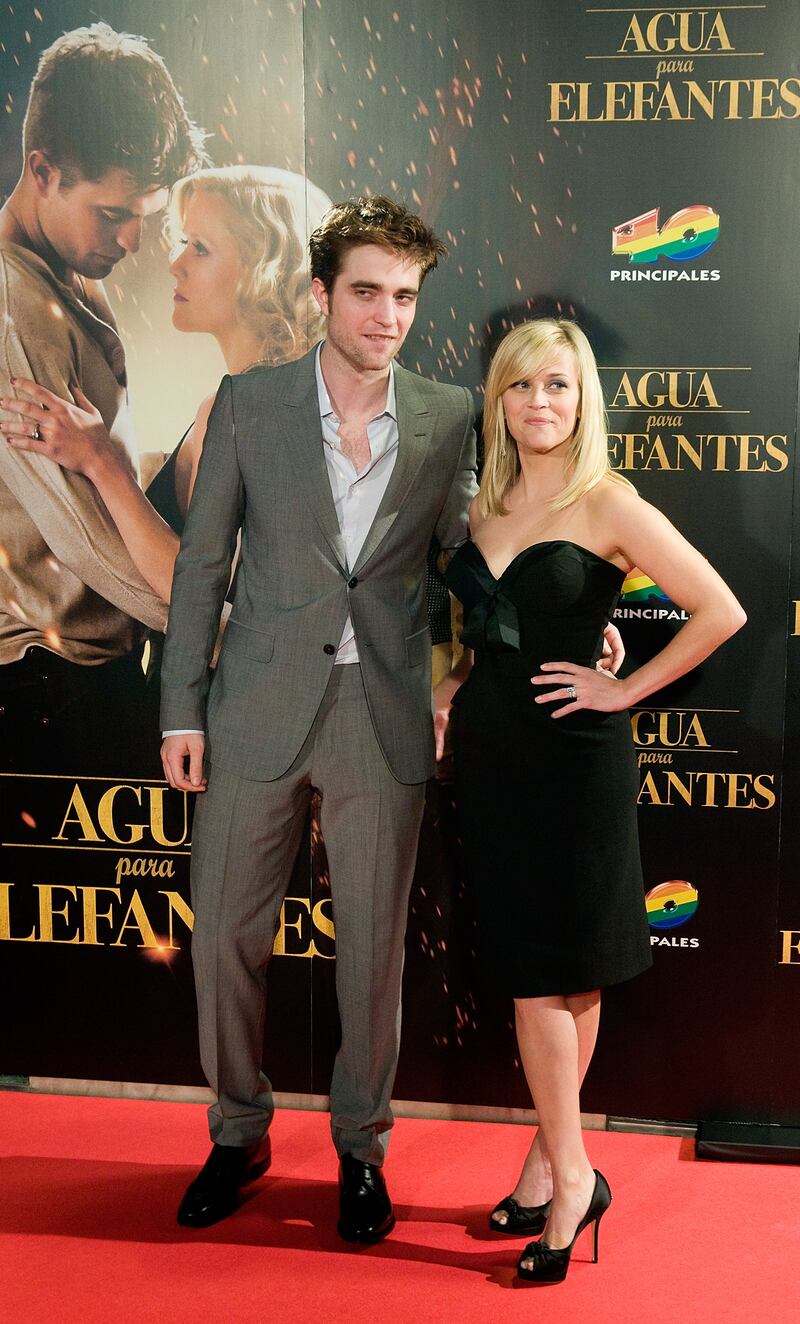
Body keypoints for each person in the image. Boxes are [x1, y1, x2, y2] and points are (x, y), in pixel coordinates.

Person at [158, 195, 477, 1243]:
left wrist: (484, 662)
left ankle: (360, 1147)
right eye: (367, 293)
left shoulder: (446, 417)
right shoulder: (247, 402)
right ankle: (238, 1129)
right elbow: (202, 569)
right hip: (252, 704)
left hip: (378, 711)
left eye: (404, 297)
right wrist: (180, 712)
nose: (387, 316)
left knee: (371, 954)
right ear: (318, 294)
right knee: (224, 946)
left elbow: (470, 566)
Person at [435, 318, 745, 1284]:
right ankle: (545, 1164)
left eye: (559, 387)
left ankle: (571, 1177)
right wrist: (452, 683)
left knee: (558, 973)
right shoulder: (480, 507)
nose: (540, 403)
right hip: (491, 760)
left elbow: (720, 608)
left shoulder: (606, 500)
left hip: (574, 761)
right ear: (500, 399)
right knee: (555, 976)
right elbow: (483, 628)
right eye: (524, 386)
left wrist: (623, 683)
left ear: (583, 400)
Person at [0, 22, 205, 774]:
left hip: (88, 675)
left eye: (143, 219)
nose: (130, 244)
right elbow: (88, 543)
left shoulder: (65, 271)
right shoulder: (13, 311)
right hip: (45, 688)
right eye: (113, 214)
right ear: (42, 169)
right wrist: (227, 634)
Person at [2, 166, 332, 606]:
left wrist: (103, 463)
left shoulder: (245, 411)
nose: (175, 265)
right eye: (183, 242)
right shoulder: (280, 398)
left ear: (264, 270)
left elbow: (204, 596)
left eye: (200, 248)